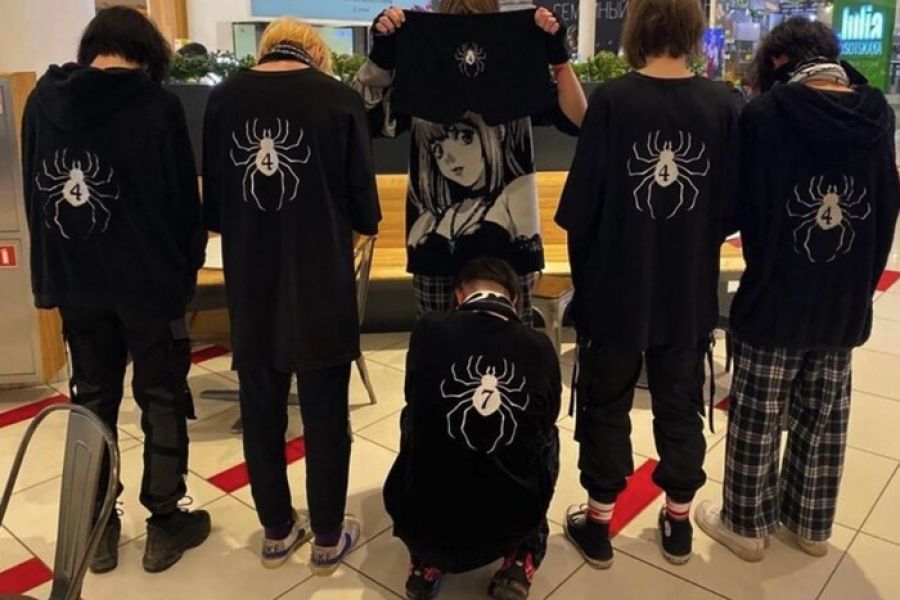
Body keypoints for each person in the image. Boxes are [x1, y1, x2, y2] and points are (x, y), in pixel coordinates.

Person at [695, 17, 900, 561]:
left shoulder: (766, 116)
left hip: (776, 294)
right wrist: (861, 286)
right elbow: (887, 209)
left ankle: (745, 525)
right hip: (843, 300)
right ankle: (811, 525)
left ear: (779, 61)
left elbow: (738, 206)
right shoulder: (877, 116)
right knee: (824, 416)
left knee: (758, 416)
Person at [20, 6, 209, 574]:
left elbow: (36, 194)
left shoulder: (42, 103)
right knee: (161, 396)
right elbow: (183, 202)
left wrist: (52, 275)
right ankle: (165, 522)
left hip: (77, 284)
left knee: (92, 398)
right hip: (149, 285)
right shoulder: (156, 105)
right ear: (148, 51)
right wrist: (187, 270)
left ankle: (98, 526)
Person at [554, 0, 740, 567]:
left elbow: (580, 210)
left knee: (606, 402)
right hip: (687, 289)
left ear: (636, 27)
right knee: (680, 402)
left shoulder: (613, 101)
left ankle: (599, 522)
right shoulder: (723, 105)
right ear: (692, 28)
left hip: (614, 289)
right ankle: (679, 521)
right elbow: (729, 210)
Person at [201, 18, 381, 574]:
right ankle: (327, 535)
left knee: (261, 411)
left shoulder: (223, 101)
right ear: (317, 54)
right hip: (321, 283)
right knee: (326, 414)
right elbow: (366, 212)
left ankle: (276, 530)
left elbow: (215, 213)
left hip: (251, 283)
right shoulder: (339, 100)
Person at [353, 0, 586, 324]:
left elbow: (578, 119)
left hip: (493, 245)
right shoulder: (428, 58)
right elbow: (360, 120)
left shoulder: (510, 57)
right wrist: (559, 60)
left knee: (441, 344)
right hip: (475, 248)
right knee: (507, 347)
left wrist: (558, 56)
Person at [384, 257, 561, 600]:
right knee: (546, 435)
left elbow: (412, 394)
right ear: (514, 300)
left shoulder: (428, 330)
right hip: (509, 523)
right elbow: (546, 416)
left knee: (413, 414)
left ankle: (425, 561)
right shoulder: (539, 347)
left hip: (426, 527)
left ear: (459, 295)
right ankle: (522, 555)